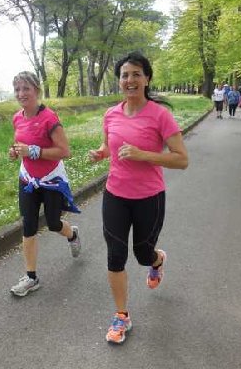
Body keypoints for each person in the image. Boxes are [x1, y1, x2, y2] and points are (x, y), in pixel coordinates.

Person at [88, 52, 188, 344]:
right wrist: (101, 153)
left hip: (149, 197)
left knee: (143, 254)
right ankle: (122, 315)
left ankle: (157, 260)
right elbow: (108, 146)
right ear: (119, 80)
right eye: (124, 75)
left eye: (136, 74)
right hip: (115, 194)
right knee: (115, 255)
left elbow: (182, 159)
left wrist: (144, 155)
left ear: (147, 79)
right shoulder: (111, 114)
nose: (129, 80)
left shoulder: (160, 115)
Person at [9, 71, 81, 297]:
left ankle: (72, 235)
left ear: (36, 90)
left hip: (51, 180)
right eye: (17, 89)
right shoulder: (17, 117)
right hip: (28, 180)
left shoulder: (49, 117)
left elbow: (64, 151)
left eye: (26, 88)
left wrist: (34, 151)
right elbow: (19, 142)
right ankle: (31, 277)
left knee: (53, 223)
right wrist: (15, 151)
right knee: (28, 225)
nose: (21, 93)